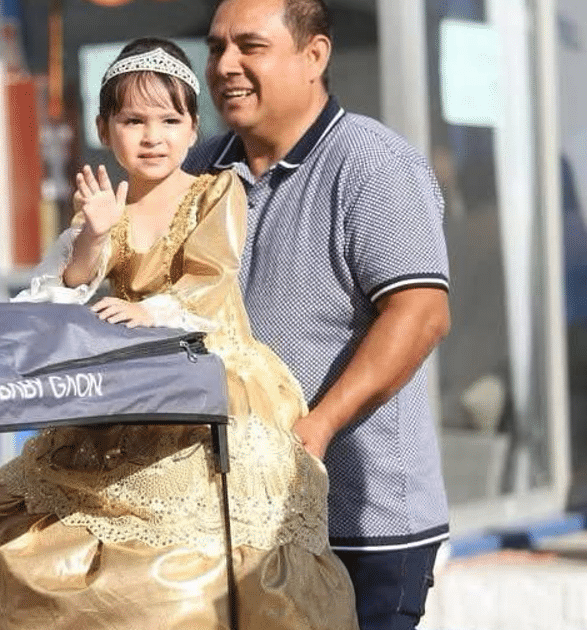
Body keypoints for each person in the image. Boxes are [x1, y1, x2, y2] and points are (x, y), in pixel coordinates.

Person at [0, 37, 357, 630]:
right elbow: (68, 286)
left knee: (199, 559)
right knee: (2, 515)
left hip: (212, 383)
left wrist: (154, 311)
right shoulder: (105, 208)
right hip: (132, 391)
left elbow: (211, 280)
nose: (152, 136)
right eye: (133, 121)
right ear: (104, 128)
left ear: (194, 129)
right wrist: (94, 234)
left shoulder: (216, 191)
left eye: (170, 120)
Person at [181, 1, 452, 628]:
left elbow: (420, 314)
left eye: (250, 46)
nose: (225, 65)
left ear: (315, 55)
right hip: (231, 520)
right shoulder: (198, 171)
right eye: (216, 48)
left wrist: (318, 427)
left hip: (357, 527)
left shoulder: (372, 163)